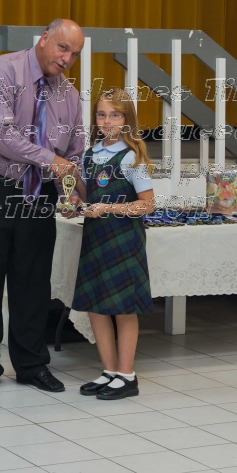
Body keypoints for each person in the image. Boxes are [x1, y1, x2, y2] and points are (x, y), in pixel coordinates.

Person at [0, 18, 85, 394]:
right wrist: (52, 161)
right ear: (44, 38)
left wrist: (70, 191)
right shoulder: (2, 72)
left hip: (40, 193)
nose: (67, 59)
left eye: (75, 54)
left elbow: (74, 153)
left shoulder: (70, 95)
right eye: (63, 48)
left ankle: (31, 365)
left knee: (33, 282)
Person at [71, 88, 155, 400]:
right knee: (97, 306)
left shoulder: (132, 156)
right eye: (102, 114)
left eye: (115, 115)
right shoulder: (89, 155)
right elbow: (85, 193)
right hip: (95, 238)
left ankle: (127, 375)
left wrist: (108, 208)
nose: (107, 121)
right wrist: (74, 200)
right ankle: (109, 370)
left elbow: (147, 204)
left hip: (123, 240)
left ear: (127, 119)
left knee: (123, 308)